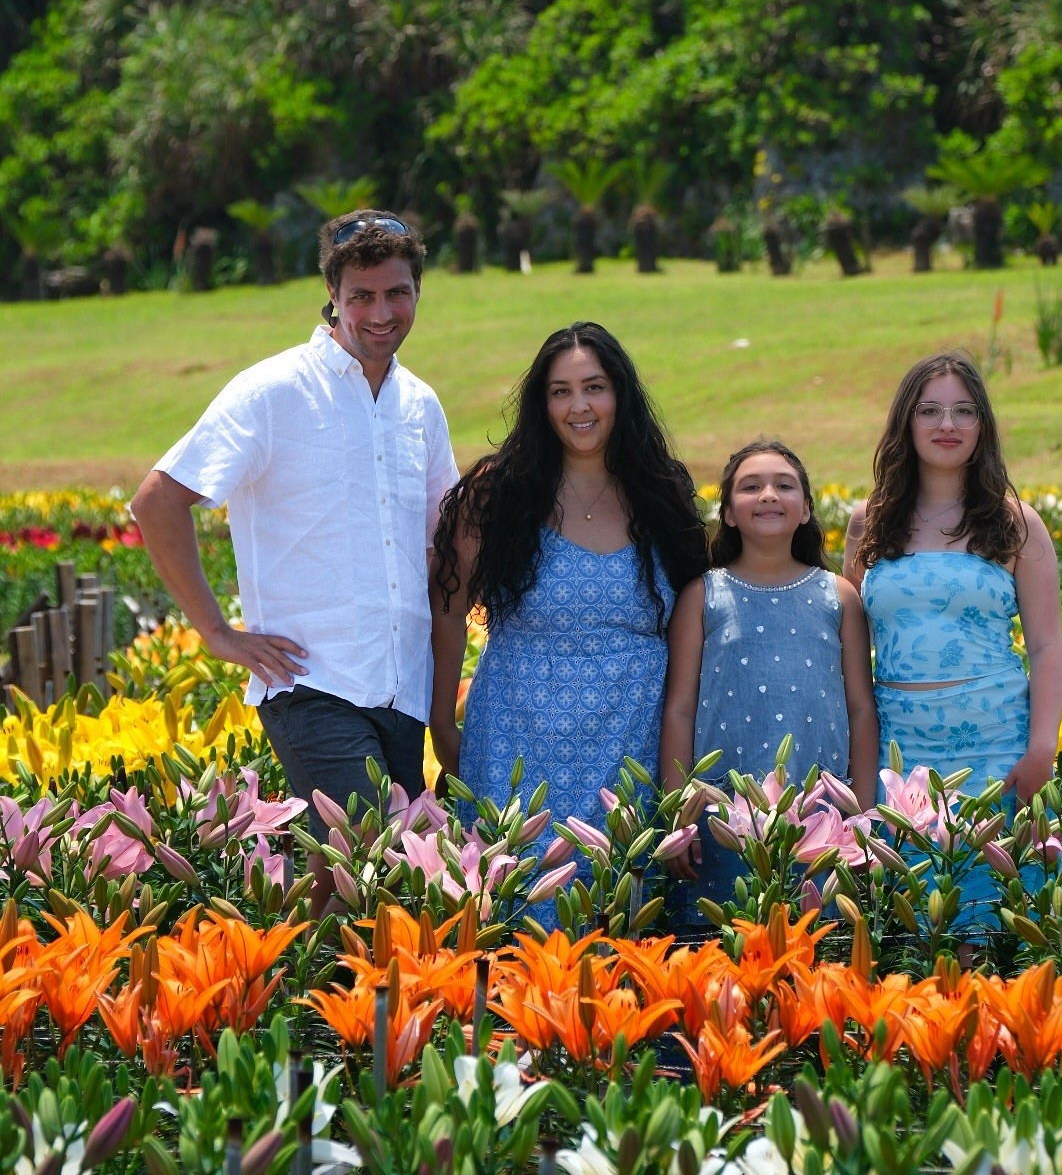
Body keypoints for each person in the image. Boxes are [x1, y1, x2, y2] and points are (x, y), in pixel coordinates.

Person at [131, 211, 458, 906]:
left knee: (371, 881)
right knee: (369, 869)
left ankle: (306, 1002)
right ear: (333, 297)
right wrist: (217, 634)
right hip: (312, 682)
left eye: (396, 293)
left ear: (417, 293)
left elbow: (444, 544)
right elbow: (156, 502)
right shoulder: (271, 392)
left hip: (403, 688)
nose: (381, 312)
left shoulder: (420, 405)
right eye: (361, 296)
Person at [428, 322, 709, 852]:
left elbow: (695, 621)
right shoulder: (497, 495)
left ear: (621, 395)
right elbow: (447, 608)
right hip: (514, 741)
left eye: (594, 387)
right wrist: (442, 723)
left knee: (623, 917)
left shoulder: (662, 493)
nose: (579, 406)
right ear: (542, 404)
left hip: (635, 746)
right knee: (514, 905)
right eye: (561, 392)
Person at [844, 349, 1062, 834]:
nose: (949, 424)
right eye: (930, 410)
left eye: (965, 411)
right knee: (906, 906)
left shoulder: (1018, 524)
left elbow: (1048, 647)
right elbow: (855, 656)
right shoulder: (869, 522)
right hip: (899, 755)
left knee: (997, 905)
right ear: (906, 422)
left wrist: (1041, 751)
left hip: (998, 751)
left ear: (982, 426)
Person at [660, 439, 879, 906]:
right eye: (750, 486)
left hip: (821, 818)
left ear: (805, 510)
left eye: (784, 485)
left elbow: (861, 709)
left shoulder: (839, 596)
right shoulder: (703, 595)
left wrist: (861, 813)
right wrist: (677, 811)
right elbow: (679, 710)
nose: (768, 495)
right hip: (719, 816)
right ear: (729, 514)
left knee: (816, 956)